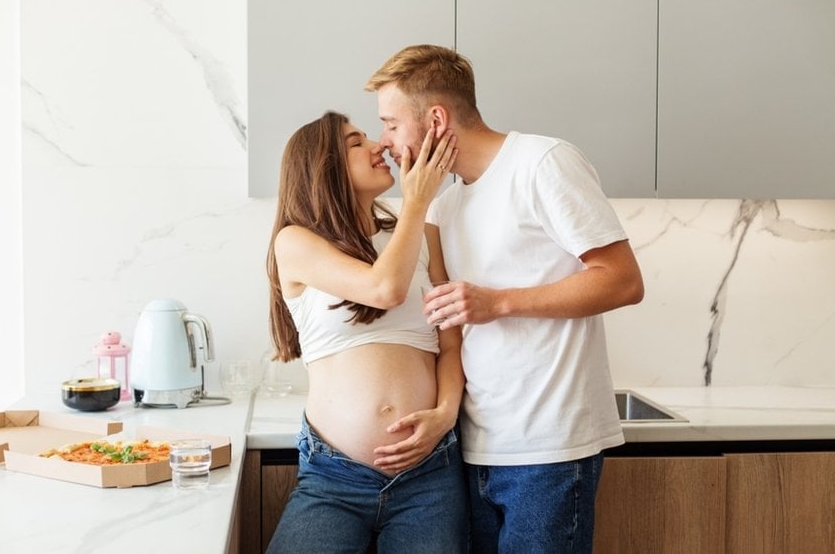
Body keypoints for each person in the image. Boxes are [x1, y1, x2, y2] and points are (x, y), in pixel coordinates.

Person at [366, 45, 645, 553]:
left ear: (435, 118)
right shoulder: (443, 206)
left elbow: (622, 280)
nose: (384, 142)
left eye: (390, 124)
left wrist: (499, 303)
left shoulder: (542, 162)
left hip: (550, 445)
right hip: (475, 447)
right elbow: (445, 324)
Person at [265, 111, 467, 554]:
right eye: (356, 142)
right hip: (333, 477)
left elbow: (450, 343)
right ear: (324, 167)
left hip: (429, 473)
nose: (378, 145)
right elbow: (385, 288)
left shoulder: (417, 235)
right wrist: (416, 200)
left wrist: (445, 415)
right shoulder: (295, 242)